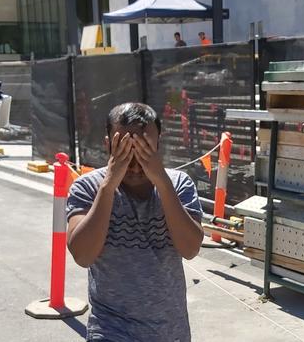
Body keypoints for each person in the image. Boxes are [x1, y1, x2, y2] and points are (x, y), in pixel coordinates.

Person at [66, 103, 204, 342]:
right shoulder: (88, 187)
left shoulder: (178, 183)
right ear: (108, 144)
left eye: (144, 147)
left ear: (158, 142)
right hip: (111, 328)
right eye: (125, 147)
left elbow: (190, 248)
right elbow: (83, 255)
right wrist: (108, 186)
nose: (134, 161)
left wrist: (160, 179)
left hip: (170, 331)